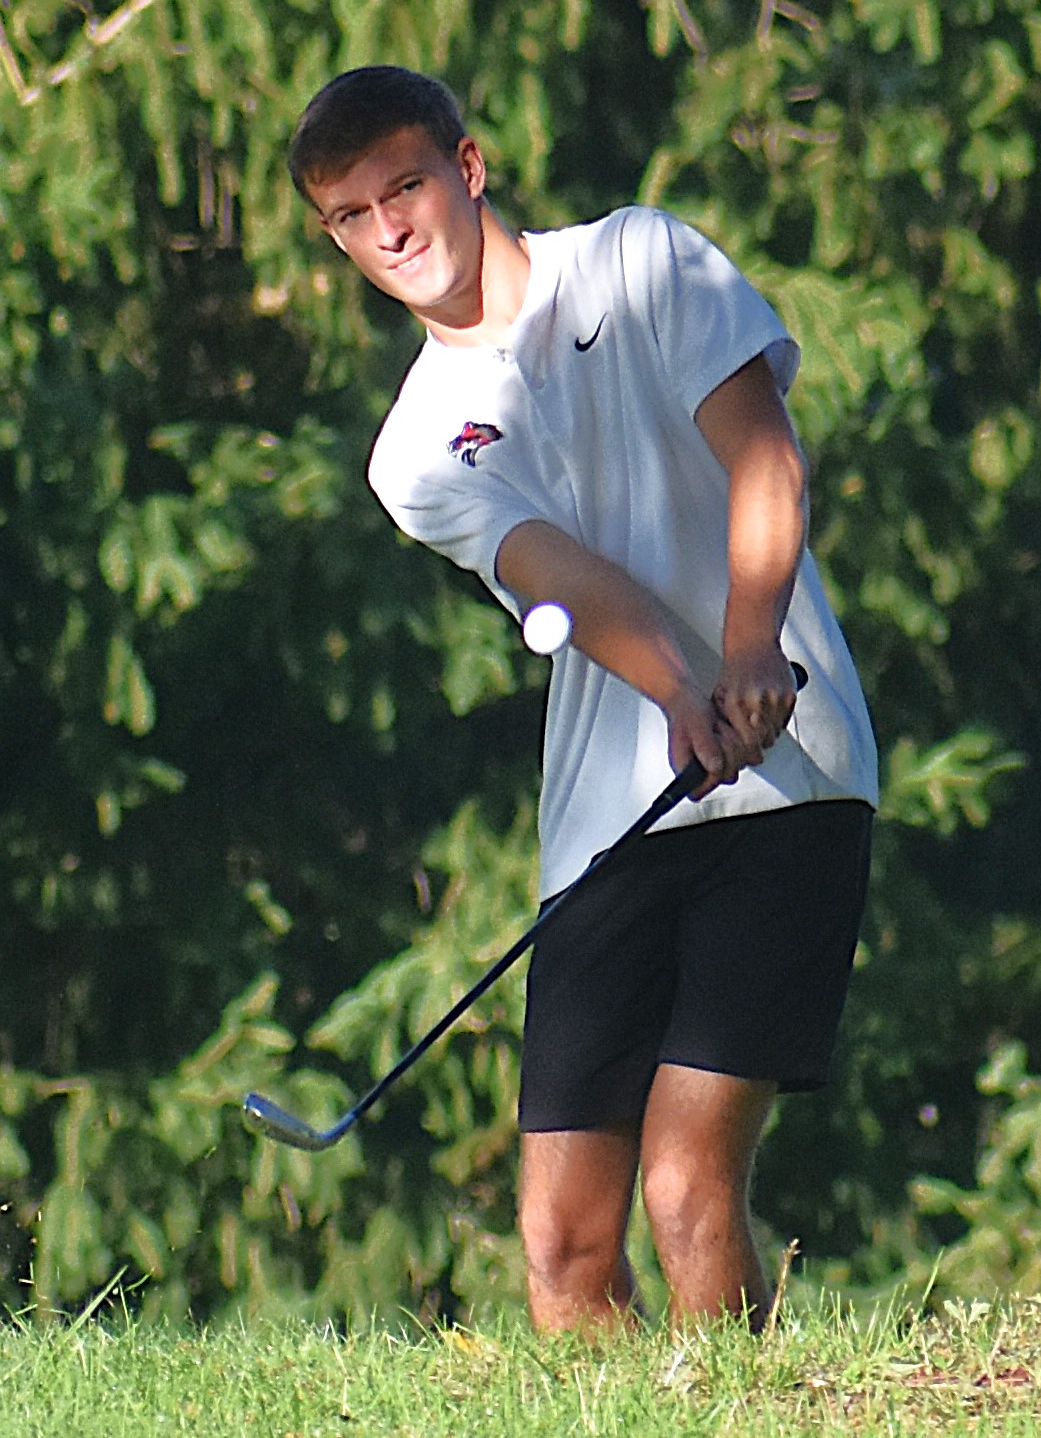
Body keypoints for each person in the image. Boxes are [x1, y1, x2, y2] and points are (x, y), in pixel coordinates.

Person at [289, 65, 879, 1333]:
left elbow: (764, 451)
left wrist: (748, 649)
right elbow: (556, 585)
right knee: (560, 1241)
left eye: (405, 185)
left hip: (791, 780)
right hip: (607, 821)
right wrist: (681, 684)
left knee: (682, 1180)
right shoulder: (413, 450)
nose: (389, 229)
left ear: (470, 165)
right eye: (350, 213)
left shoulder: (642, 262)